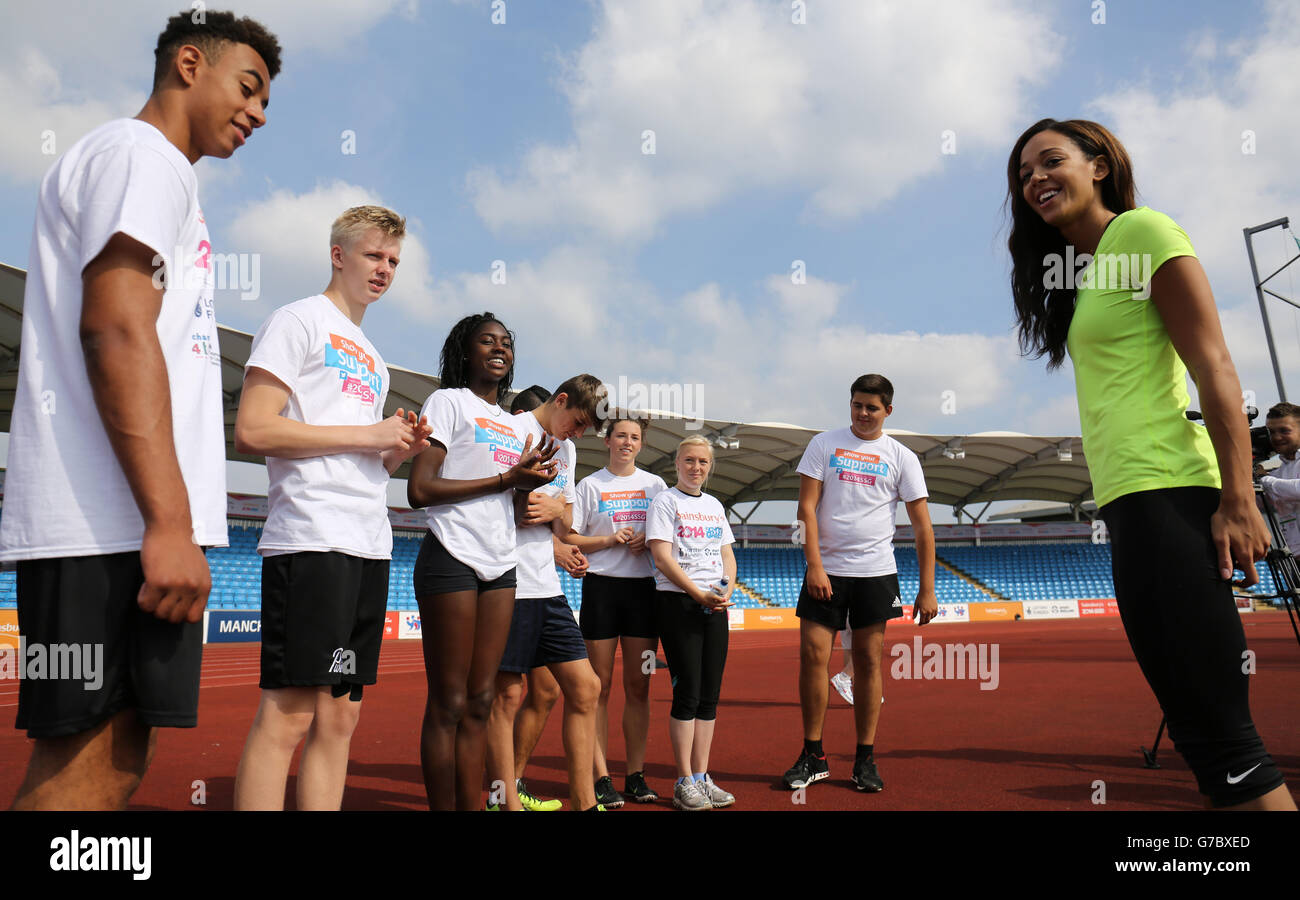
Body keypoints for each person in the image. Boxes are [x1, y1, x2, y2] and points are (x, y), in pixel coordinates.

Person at [0, 10, 281, 810]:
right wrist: (166, 521)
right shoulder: (141, 156)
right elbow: (117, 326)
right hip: (108, 526)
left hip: (123, 524)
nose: (259, 113)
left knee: (118, 758)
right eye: (249, 87)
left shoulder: (157, 174)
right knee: (82, 770)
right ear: (189, 64)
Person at [1008, 117, 1294, 810]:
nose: (1035, 179)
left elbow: (1215, 364)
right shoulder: (1082, 274)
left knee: (1230, 749)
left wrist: (1239, 498)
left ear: (1100, 165)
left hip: (1172, 494)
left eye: (1051, 161)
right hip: (1130, 505)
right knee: (1202, 745)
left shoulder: (1144, 232)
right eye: (1024, 174)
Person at [231, 206, 430, 810]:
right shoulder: (296, 321)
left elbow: (363, 458)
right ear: (338, 255)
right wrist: (368, 436)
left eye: (393, 260)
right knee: (290, 713)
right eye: (373, 255)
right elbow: (254, 430)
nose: (385, 269)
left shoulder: (372, 356)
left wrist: (395, 448)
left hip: (368, 542)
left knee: (340, 720)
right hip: (311, 539)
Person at [406, 313, 557, 810]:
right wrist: (504, 480)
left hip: (501, 565)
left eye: (507, 343)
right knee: (448, 703)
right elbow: (420, 489)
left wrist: (527, 488)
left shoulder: (514, 428)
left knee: (481, 701)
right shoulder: (448, 402)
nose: (499, 348)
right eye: (487, 341)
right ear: (465, 351)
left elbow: (509, 506)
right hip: (451, 556)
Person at [782, 374, 935, 794]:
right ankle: (813, 755)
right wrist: (814, 564)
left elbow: (922, 528)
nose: (863, 414)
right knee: (814, 656)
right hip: (826, 569)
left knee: (868, 662)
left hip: (876, 572)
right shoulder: (824, 445)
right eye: (856, 405)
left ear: (888, 410)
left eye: (871, 407)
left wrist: (928, 588)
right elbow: (806, 508)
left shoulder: (902, 457)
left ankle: (865, 758)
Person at [484, 377, 605, 811]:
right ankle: (505, 803)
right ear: (561, 400)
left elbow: (565, 519)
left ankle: (584, 802)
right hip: (507, 580)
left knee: (585, 688)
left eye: (583, 430)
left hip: (546, 587)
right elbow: (506, 508)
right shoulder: (510, 431)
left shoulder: (567, 450)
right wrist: (534, 505)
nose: (576, 434)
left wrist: (557, 511)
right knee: (509, 694)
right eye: (576, 423)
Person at [563, 414, 668, 805]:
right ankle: (601, 777)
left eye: (634, 437)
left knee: (639, 686)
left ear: (641, 444)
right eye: (620, 435)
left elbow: (667, 537)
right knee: (598, 688)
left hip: (643, 593)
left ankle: (636, 774)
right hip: (602, 592)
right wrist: (609, 540)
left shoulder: (655, 486)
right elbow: (570, 537)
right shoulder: (589, 486)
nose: (627, 442)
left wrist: (649, 541)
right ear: (607, 440)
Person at [646, 435, 738, 810]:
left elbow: (727, 556)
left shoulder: (715, 505)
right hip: (678, 603)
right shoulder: (666, 502)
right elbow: (662, 557)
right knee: (687, 693)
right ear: (677, 463)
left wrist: (723, 589)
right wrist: (697, 594)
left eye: (702, 462)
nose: (695, 467)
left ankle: (702, 776)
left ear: (709, 466)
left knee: (709, 696)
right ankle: (683, 779)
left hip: (714, 606)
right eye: (689, 460)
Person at [1257, 402, 1300, 554]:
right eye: (1271, 432)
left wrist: (1264, 480)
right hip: (1294, 560)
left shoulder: (1270, 479)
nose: (1277, 437)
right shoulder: (1278, 473)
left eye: (1284, 431)